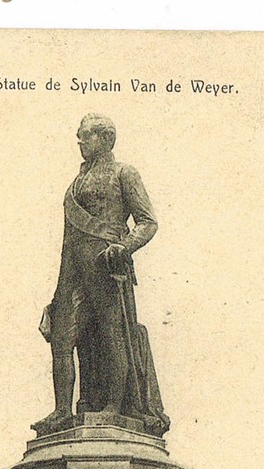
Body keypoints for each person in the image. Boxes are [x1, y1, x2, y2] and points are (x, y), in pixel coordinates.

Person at [36, 114, 169, 435]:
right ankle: (61, 411)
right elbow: (67, 242)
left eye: (85, 136)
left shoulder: (125, 173)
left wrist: (124, 246)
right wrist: (56, 296)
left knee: (113, 335)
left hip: (107, 268)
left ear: (105, 139)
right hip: (74, 272)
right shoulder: (75, 184)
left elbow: (148, 222)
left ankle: (113, 405)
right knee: (62, 338)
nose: (79, 141)